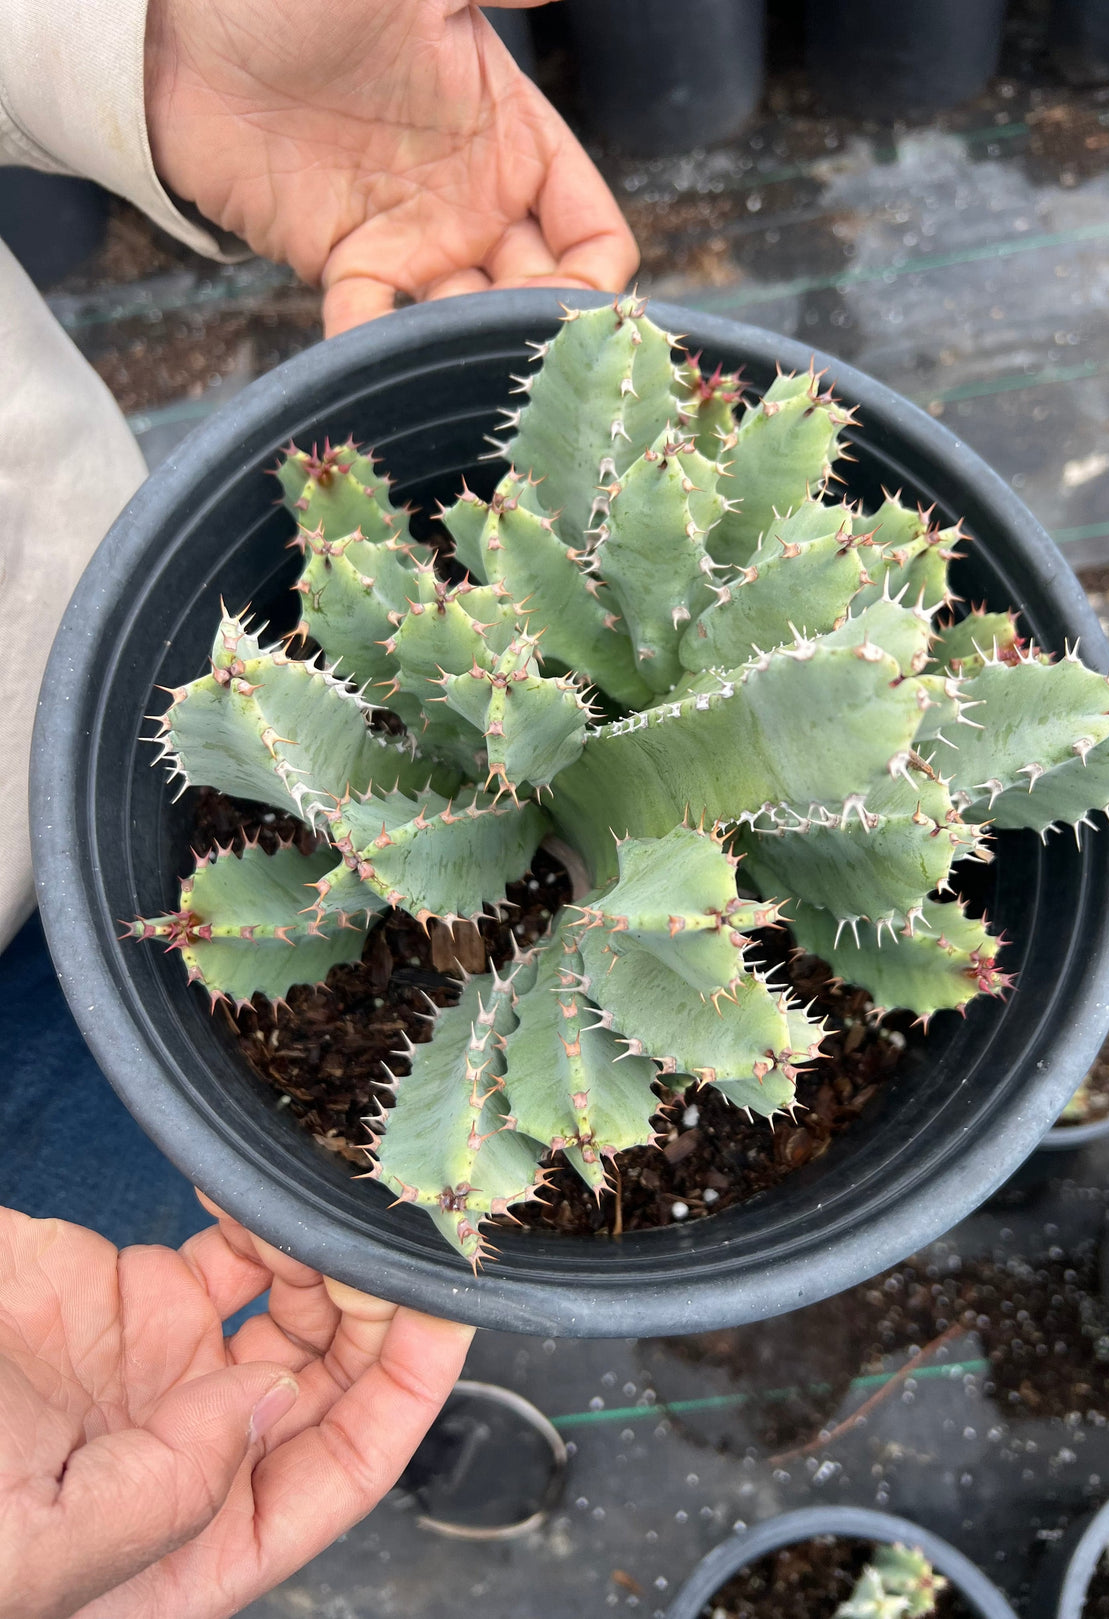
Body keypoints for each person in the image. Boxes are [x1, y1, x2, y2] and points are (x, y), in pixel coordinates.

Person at [0, 2, 638, 1614]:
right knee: (194, 1343)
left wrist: (138, 43)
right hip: (144, 819)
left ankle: (323, 1370)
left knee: (212, 1310)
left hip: (56, 702)